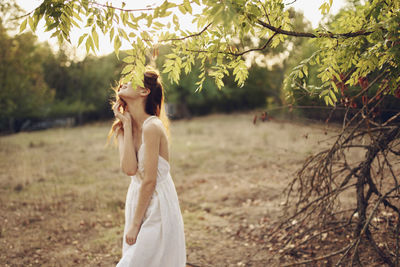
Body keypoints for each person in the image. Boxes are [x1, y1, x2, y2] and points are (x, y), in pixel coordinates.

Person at [108, 69, 186, 267]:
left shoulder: (153, 127)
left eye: (130, 80)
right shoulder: (121, 127)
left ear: (144, 92)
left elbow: (150, 180)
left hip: (158, 201)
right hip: (137, 196)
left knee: (139, 262)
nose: (122, 83)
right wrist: (125, 124)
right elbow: (130, 170)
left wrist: (135, 225)